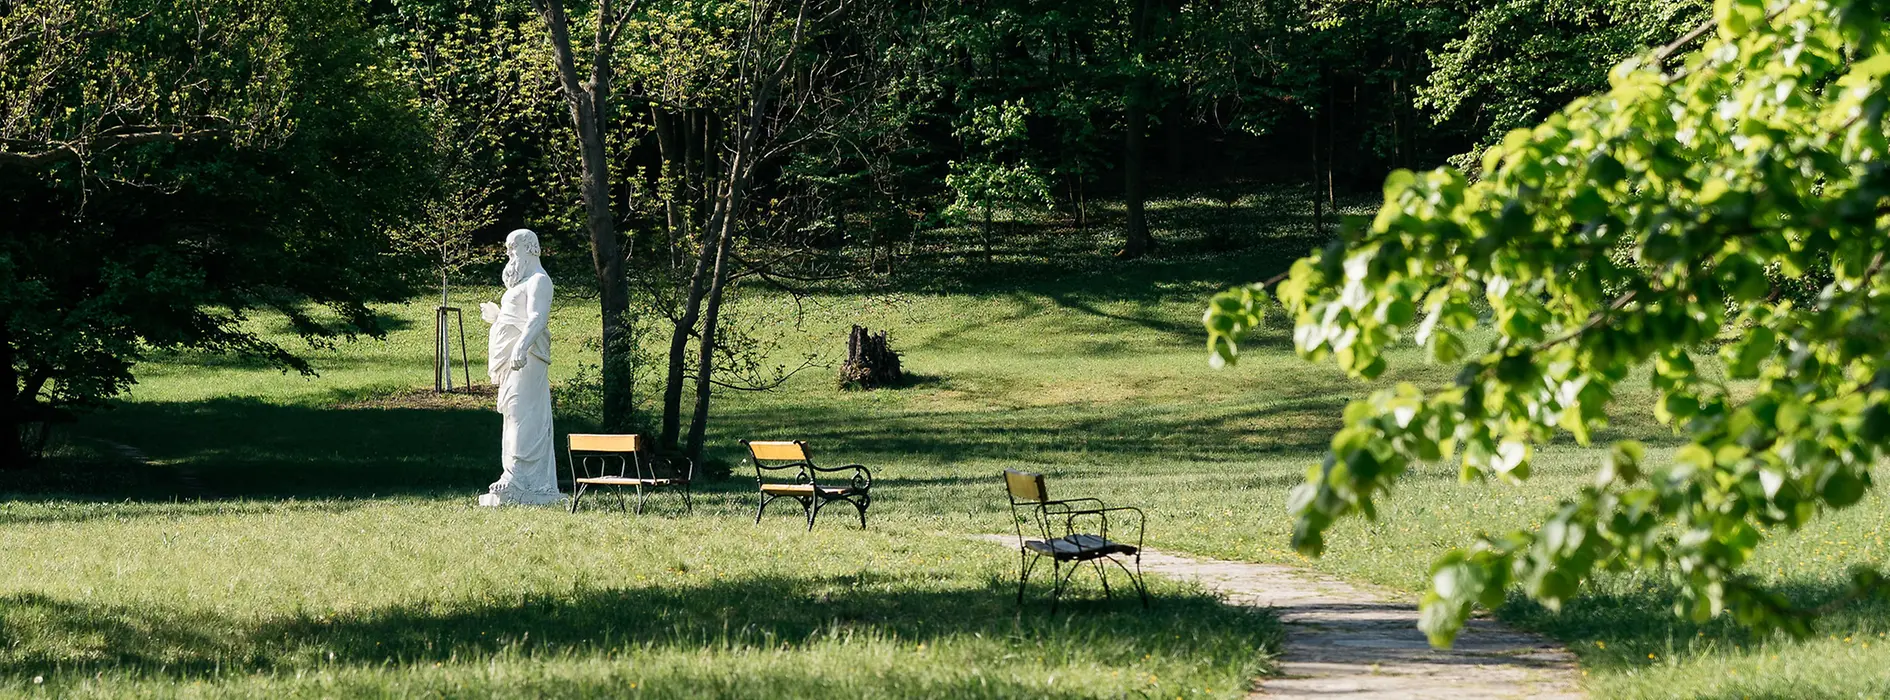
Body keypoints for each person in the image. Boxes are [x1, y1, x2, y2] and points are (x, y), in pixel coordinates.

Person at [477, 229, 563, 506]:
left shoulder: (540, 280)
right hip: (515, 360)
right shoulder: (521, 282)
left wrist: (520, 347)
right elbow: (519, 316)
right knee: (512, 413)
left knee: (522, 413)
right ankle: (513, 474)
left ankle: (521, 478)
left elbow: (537, 318)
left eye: (512, 249)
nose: (508, 254)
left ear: (529, 248)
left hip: (527, 358)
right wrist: (499, 318)